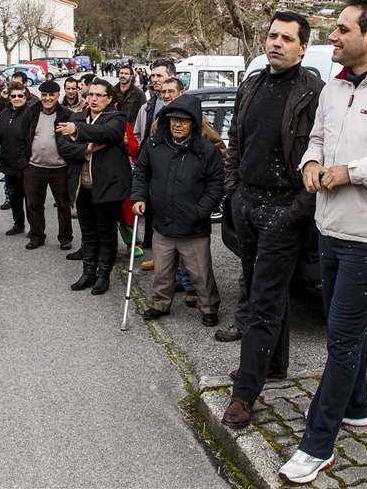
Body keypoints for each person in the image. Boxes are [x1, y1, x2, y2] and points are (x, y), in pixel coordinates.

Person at [279, 1, 367, 484]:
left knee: (340, 339)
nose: (333, 36)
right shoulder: (335, 85)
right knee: (347, 327)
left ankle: (318, 444)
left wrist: (352, 172)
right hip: (330, 227)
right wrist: (312, 165)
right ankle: (356, 407)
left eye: (342, 29)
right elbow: (317, 140)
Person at [221, 11, 324, 429]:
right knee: (262, 288)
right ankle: (274, 364)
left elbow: (324, 151)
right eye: (272, 35)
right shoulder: (252, 84)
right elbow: (234, 140)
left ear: (302, 47)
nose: (275, 43)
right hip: (247, 203)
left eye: (286, 38)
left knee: (261, 301)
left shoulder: (315, 92)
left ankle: (245, 393)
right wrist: (233, 189)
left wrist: (298, 209)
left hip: (285, 210)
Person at [131, 93, 224, 325]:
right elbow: (141, 173)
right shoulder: (154, 145)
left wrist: (201, 210)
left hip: (193, 225)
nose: (177, 124)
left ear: (194, 122)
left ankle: (209, 308)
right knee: (162, 272)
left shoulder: (206, 150)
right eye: (173, 119)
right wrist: (139, 197)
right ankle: (160, 304)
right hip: (162, 223)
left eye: (183, 120)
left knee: (201, 274)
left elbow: (216, 183)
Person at [57, 78, 132, 295]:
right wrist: (86, 149)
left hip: (107, 186)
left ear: (109, 98)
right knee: (88, 231)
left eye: (99, 95)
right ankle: (88, 271)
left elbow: (108, 134)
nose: (94, 98)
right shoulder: (78, 117)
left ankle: (103, 274)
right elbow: (63, 147)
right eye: (91, 94)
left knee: (106, 231)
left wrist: (76, 132)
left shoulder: (116, 117)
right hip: (82, 186)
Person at [18, 80, 73, 251]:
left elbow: (73, 140)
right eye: (44, 95)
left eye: (51, 95)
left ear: (58, 95)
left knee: (64, 205)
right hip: (34, 167)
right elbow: (21, 140)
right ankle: (36, 235)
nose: (47, 98)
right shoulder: (30, 113)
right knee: (34, 203)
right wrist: (24, 164)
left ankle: (65, 237)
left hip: (60, 168)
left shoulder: (66, 114)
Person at [0, 81, 31, 237]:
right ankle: (18, 224)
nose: (17, 99)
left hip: (26, 163)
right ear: (9, 97)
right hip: (8, 162)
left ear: (25, 96)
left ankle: (35, 228)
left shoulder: (31, 114)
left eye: (20, 95)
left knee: (30, 199)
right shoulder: (3, 114)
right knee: (14, 197)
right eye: (13, 96)